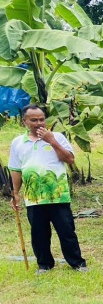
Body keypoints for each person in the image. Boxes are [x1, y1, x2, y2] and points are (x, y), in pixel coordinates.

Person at [9, 104, 88, 274]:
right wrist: (15, 193)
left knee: (66, 231)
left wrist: (51, 140)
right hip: (33, 197)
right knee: (39, 233)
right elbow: (16, 170)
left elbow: (70, 159)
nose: (39, 123)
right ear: (24, 121)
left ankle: (77, 263)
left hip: (58, 194)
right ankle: (44, 265)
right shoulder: (17, 142)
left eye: (42, 119)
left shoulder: (57, 137)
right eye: (34, 120)